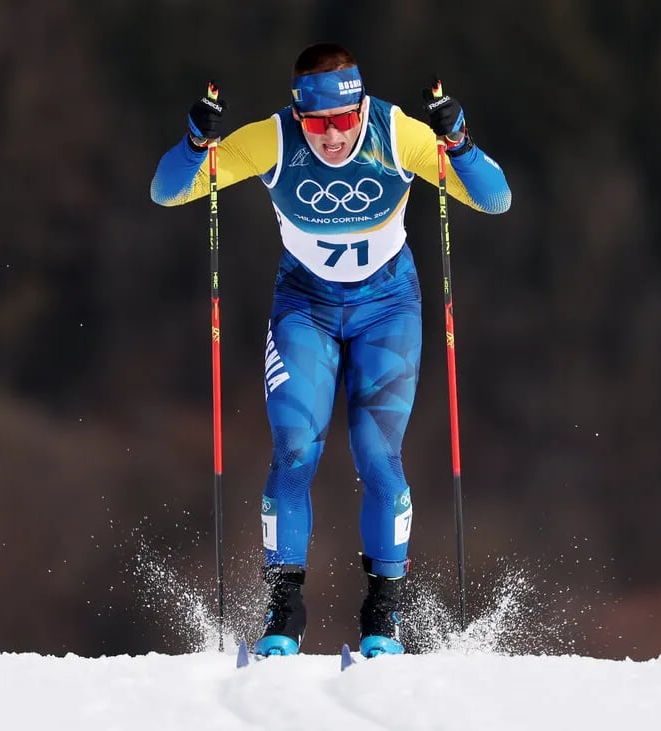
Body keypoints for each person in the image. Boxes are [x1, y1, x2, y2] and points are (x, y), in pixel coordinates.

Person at [151, 42, 511, 658]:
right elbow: (168, 192)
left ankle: (382, 614)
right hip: (305, 306)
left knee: (378, 455)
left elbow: (495, 197)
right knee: (294, 449)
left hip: (387, 308)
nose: (334, 137)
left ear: (362, 107)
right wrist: (192, 142)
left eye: (345, 121)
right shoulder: (272, 140)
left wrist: (458, 142)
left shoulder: (395, 134)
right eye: (319, 124)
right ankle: (284, 612)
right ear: (298, 114)